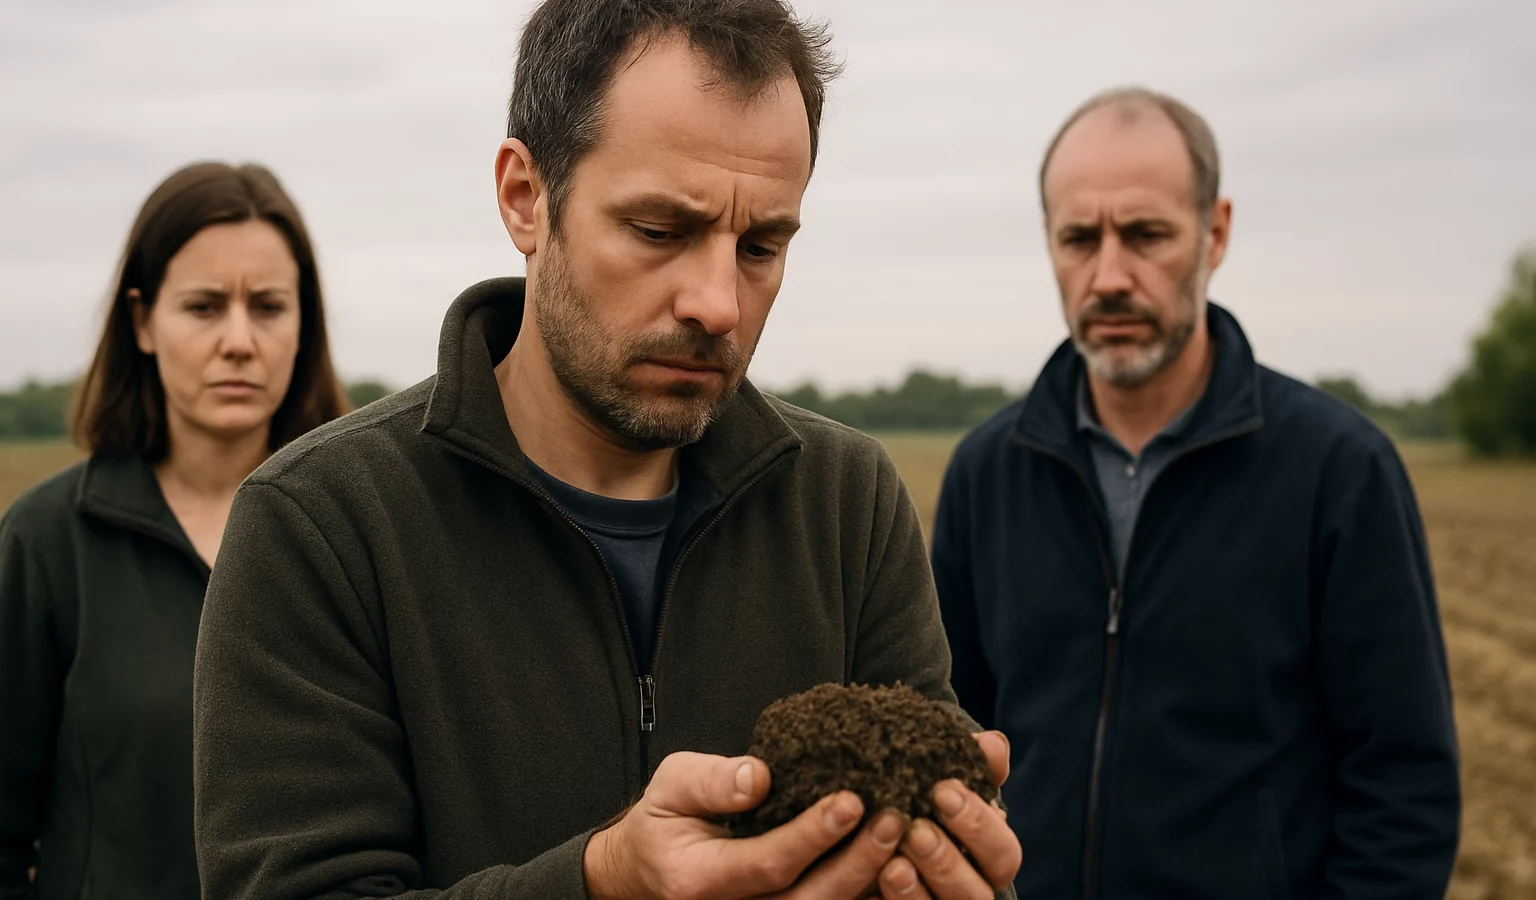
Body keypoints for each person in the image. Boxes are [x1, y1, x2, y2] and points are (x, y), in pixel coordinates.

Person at [190, 2, 1021, 899]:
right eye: (660, 231)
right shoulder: (320, 523)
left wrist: (960, 872)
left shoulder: (848, 503)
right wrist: (603, 882)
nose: (718, 305)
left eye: (760, 246)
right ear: (525, 196)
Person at [931, 87, 1461, 900]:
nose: (1110, 276)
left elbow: (1403, 788)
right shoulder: (985, 473)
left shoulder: (1340, 471)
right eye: (1079, 239)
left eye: (1146, 235)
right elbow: (950, 742)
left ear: (1215, 232)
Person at [0, 162, 350, 900]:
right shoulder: (45, 542)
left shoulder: (360, 531)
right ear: (142, 322)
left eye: (268, 306)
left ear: (303, 325)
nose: (238, 340)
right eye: (203, 307)